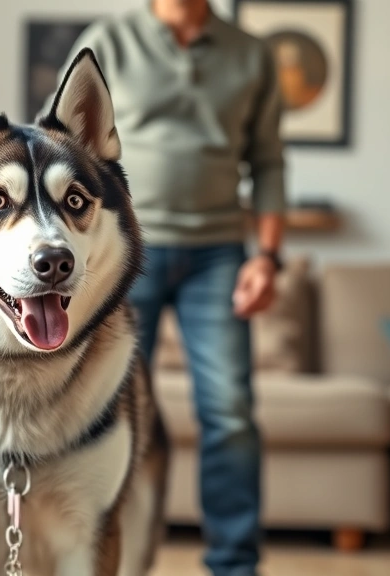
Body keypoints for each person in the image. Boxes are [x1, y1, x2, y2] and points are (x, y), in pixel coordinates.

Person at [48, 1, 285, 574]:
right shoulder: (107, 41)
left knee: (229, 412)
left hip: (219, 255)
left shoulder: (251, 55)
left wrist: (270, 259)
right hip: (125, 255)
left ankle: (235, 563)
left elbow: (269, 163)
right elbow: (55, 147)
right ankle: (100, 554)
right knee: (108, 409)